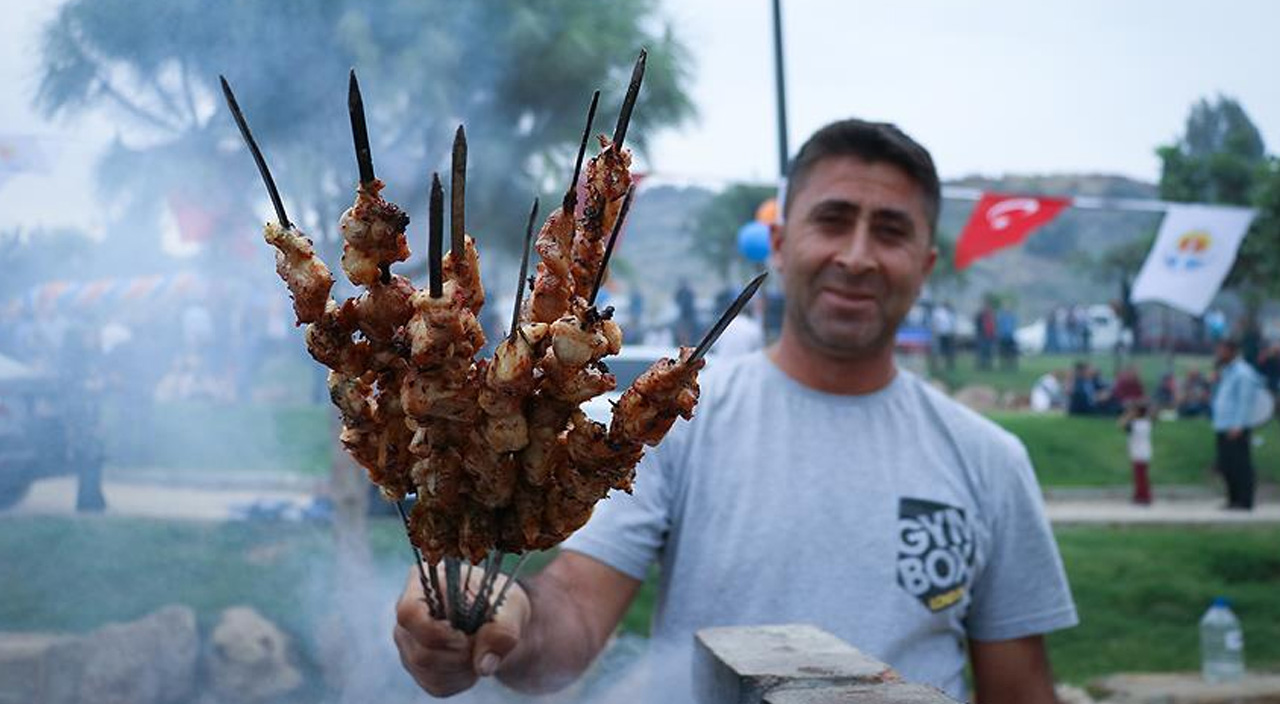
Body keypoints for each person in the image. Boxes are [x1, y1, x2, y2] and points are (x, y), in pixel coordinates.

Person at [393, 119, 1076, 703]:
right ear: (779, 246)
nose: (857, 256)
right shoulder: (668, 423)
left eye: (890, 231)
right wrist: (510, 619)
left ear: (925, 266)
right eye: (832, 220)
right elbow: (570, 611)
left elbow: (1020, 690)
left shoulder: (990, 460)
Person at [1211, 339, 1264, 510]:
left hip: (1236, 426)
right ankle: (1233, 499)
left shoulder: (1243, 373)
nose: (1219, 354)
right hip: (1223, 424)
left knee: (1240, 465)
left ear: (1232, 351)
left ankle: (1244, 500)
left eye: (1222, 351)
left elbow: (1244, 402)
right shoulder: (1227, 372)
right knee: (1227, 465)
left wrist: (1238, 425)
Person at [1119, 401, 1153, 505]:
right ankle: (1140, 495)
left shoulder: (1137, 424)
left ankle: (1143, 496)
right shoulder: (1146, 423)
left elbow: (1121, 424)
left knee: (1140, 477)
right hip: (1143, 453)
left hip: (1139, 453)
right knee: (1140, 476)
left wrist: (1128, 415)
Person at [931, 300, 957, 371]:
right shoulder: (938, 312)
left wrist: (953, 332)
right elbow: (935, 322)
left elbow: (952, 323)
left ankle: (948, 365)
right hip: (940, 334)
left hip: (948, 334)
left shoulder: (950, 312)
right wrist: (935, 332)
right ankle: (937, 365)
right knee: (939, 350)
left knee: (948, 350)